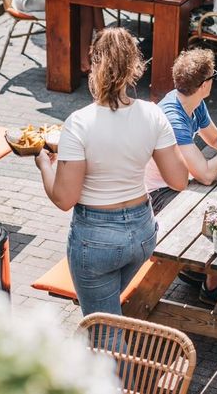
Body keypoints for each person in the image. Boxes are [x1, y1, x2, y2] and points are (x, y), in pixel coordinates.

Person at [34, 28, 188, 316]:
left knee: (105, 335)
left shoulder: (78, 123)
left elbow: (64, 199)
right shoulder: (153, 113)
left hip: (96, 239)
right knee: (108, 314)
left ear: (94, 65)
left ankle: (114, 357)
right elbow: (179, 180)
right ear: (135, 67)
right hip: (142, 234)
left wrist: (44, 164)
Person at [143, 49, 217, 312]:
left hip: (177, 185)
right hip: (159, 195)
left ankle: (196, 270)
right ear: (205, 83)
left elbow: (215, 139)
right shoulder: (173, 116)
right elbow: (205, 175)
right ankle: (212, 287)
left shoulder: (192, 102)